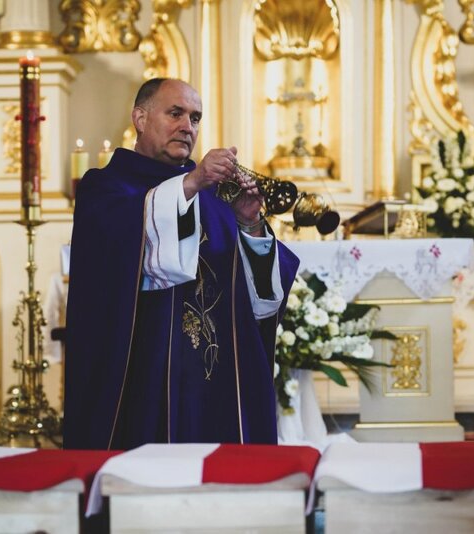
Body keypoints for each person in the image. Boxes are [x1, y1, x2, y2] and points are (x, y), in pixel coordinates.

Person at [64, 78, 299, 450]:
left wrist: (250, 224)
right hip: (145, 380)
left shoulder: (216, 196)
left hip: (215, 381)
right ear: (140, 118)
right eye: (175, 113)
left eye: (195, 118)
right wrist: (192, 182)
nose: (187, 126)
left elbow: (261, 300)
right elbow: (116, 257)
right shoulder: (105, 187)